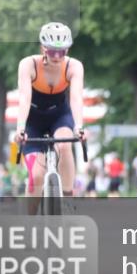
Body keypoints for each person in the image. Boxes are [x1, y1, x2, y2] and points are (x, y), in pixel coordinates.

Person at [12, 23, 88, 212]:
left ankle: (69, 198)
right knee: (36, 176)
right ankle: (30, 220)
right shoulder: (28, 64)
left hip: (59, 115)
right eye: (52, 51)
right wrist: (20, 128)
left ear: (67, 49)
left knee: (64, 144)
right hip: (33, 119)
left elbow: (76, 98)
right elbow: (24, 98)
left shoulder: (74, 66)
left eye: (61, 52)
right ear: (43, 48)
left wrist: (79, 126)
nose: (56, 57)